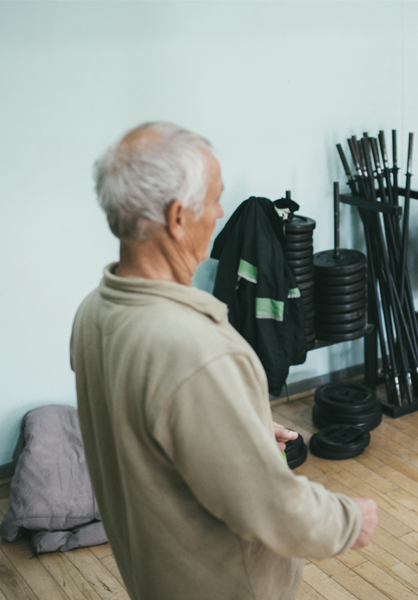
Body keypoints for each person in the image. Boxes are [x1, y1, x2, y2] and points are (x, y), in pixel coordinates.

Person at [71, 122, 378, 600]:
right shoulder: (196, 349)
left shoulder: (94, 311)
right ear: (177, 218)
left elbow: (154, 430)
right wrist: (347, 519)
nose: (218, 212)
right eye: (214, 199)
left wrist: (243, 424)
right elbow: (267, 504)